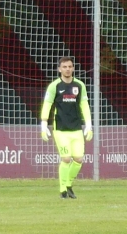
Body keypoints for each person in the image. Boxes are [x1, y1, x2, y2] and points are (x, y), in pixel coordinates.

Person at [39, 58, 92, 200]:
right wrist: (43, 124)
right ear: (59, 69)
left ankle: (68, 184)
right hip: (60, 129)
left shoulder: (79, 85)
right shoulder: (54, 86)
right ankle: (62, 189)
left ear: (73, 68)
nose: (67, 69)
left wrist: (88, 124)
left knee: (78, 159)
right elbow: (47, 104)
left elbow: (84, 105)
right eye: (64, 67)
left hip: (76, 129)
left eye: (70, 66)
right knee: (66, 158)